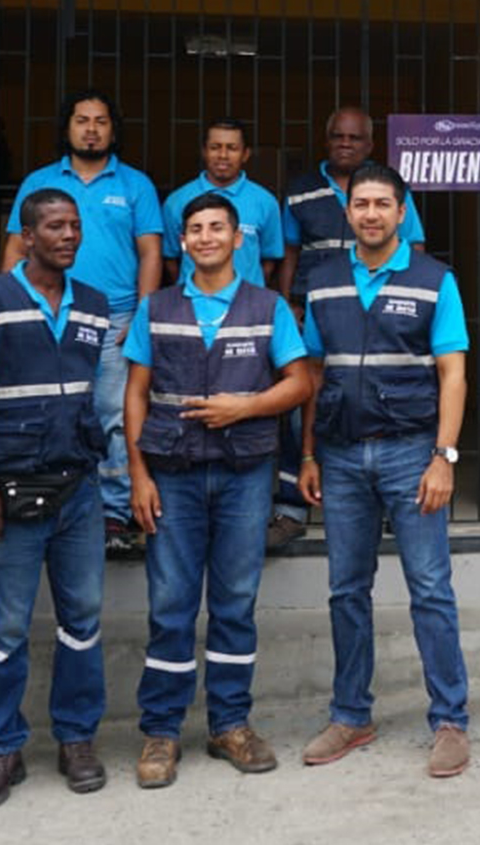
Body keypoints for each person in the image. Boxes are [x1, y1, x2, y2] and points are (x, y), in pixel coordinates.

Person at [123, 192, 313, 789]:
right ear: (183, 242)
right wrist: (137, 476)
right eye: (196, 229)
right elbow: (135, 393)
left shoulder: (267, 306)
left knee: (234, 602)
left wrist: (246, 408)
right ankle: (161, 730)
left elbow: (300, 383)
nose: (206, 237)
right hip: (172, 476)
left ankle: (230, 723)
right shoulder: (155, 308)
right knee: (170, 604)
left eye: (217, 228)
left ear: (237, 239)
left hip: (243, 475)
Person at [297, 162, 472, 779]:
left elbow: (454, 373)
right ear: (347, 213)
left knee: (430, 589)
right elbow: (314, 374)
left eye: (381, 204)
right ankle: (351, 715)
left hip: (411, 454)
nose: (370, 214)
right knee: (347, 590)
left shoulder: (434, 280)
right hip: (342, 457)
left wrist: (444, 457)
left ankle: (450, 720)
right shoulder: (322, 282)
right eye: (360, 204)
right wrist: (309, 454)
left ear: (401, 213)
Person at [0, 188, 112, 809]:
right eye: (55, 226)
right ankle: (1, 747)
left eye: (74, 225)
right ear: (26, 236)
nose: (69, 236)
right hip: (12, 493)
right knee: (6, 626)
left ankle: (77, 739)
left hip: (78, 490)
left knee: (83, 619)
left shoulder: (93, 304)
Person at [3, 88, 163, 557]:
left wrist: (142, 316)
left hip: (116, 319)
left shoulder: (135, 185)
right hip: (50, 318)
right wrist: (11, 309)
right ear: (67, 127)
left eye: (100, 121)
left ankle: (112, 513)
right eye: (82, 120)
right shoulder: (39, 182)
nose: (91, 130)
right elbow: (14, 249)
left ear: (113, 130)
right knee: (53, 408)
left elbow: (151, 253)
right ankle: (47, 500)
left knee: (113, 414)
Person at [270, 106, 426, 551]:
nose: (345, 143)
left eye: (355, 138)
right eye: (338, 136)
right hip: (318, 311)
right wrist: (289, 303)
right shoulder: (301, 191)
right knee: (303, 403)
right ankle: (292, 508)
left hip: (381, 311)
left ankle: (390, 504)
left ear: (370, 145)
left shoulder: (391, 189)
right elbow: (290, 253)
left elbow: (414, 247)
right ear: (326, 140)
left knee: (382, 398)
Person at [160, 118, 284, 289]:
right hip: (192, 300)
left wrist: (250, 290)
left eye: (232, 148)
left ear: (245, 154)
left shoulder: (265, 202)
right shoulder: (177, 201)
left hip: (248, 301)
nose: (223, 155)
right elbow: (171, 258)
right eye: (215, 147)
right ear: (204, 151)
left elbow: (269, 260)